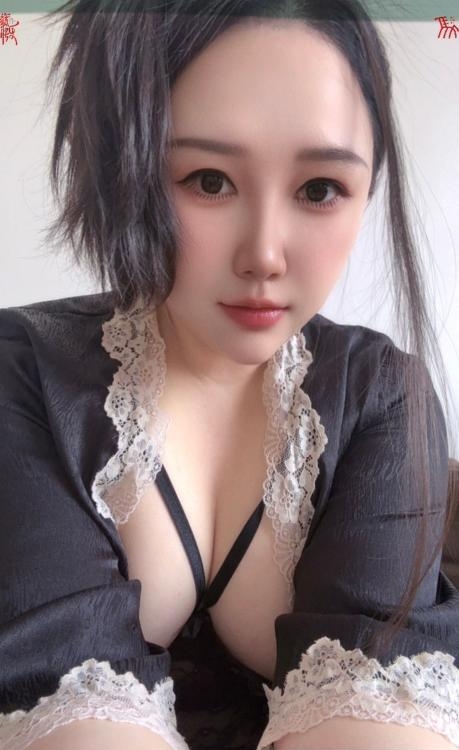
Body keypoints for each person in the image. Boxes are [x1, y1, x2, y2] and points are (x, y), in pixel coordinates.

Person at [0, 1, 458, 748]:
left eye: (319, 189)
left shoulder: (381, 395)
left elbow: (374, 718)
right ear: (123, 171)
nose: (265, 255)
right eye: (208, 180)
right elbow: (67, 718)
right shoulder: (24, 371)